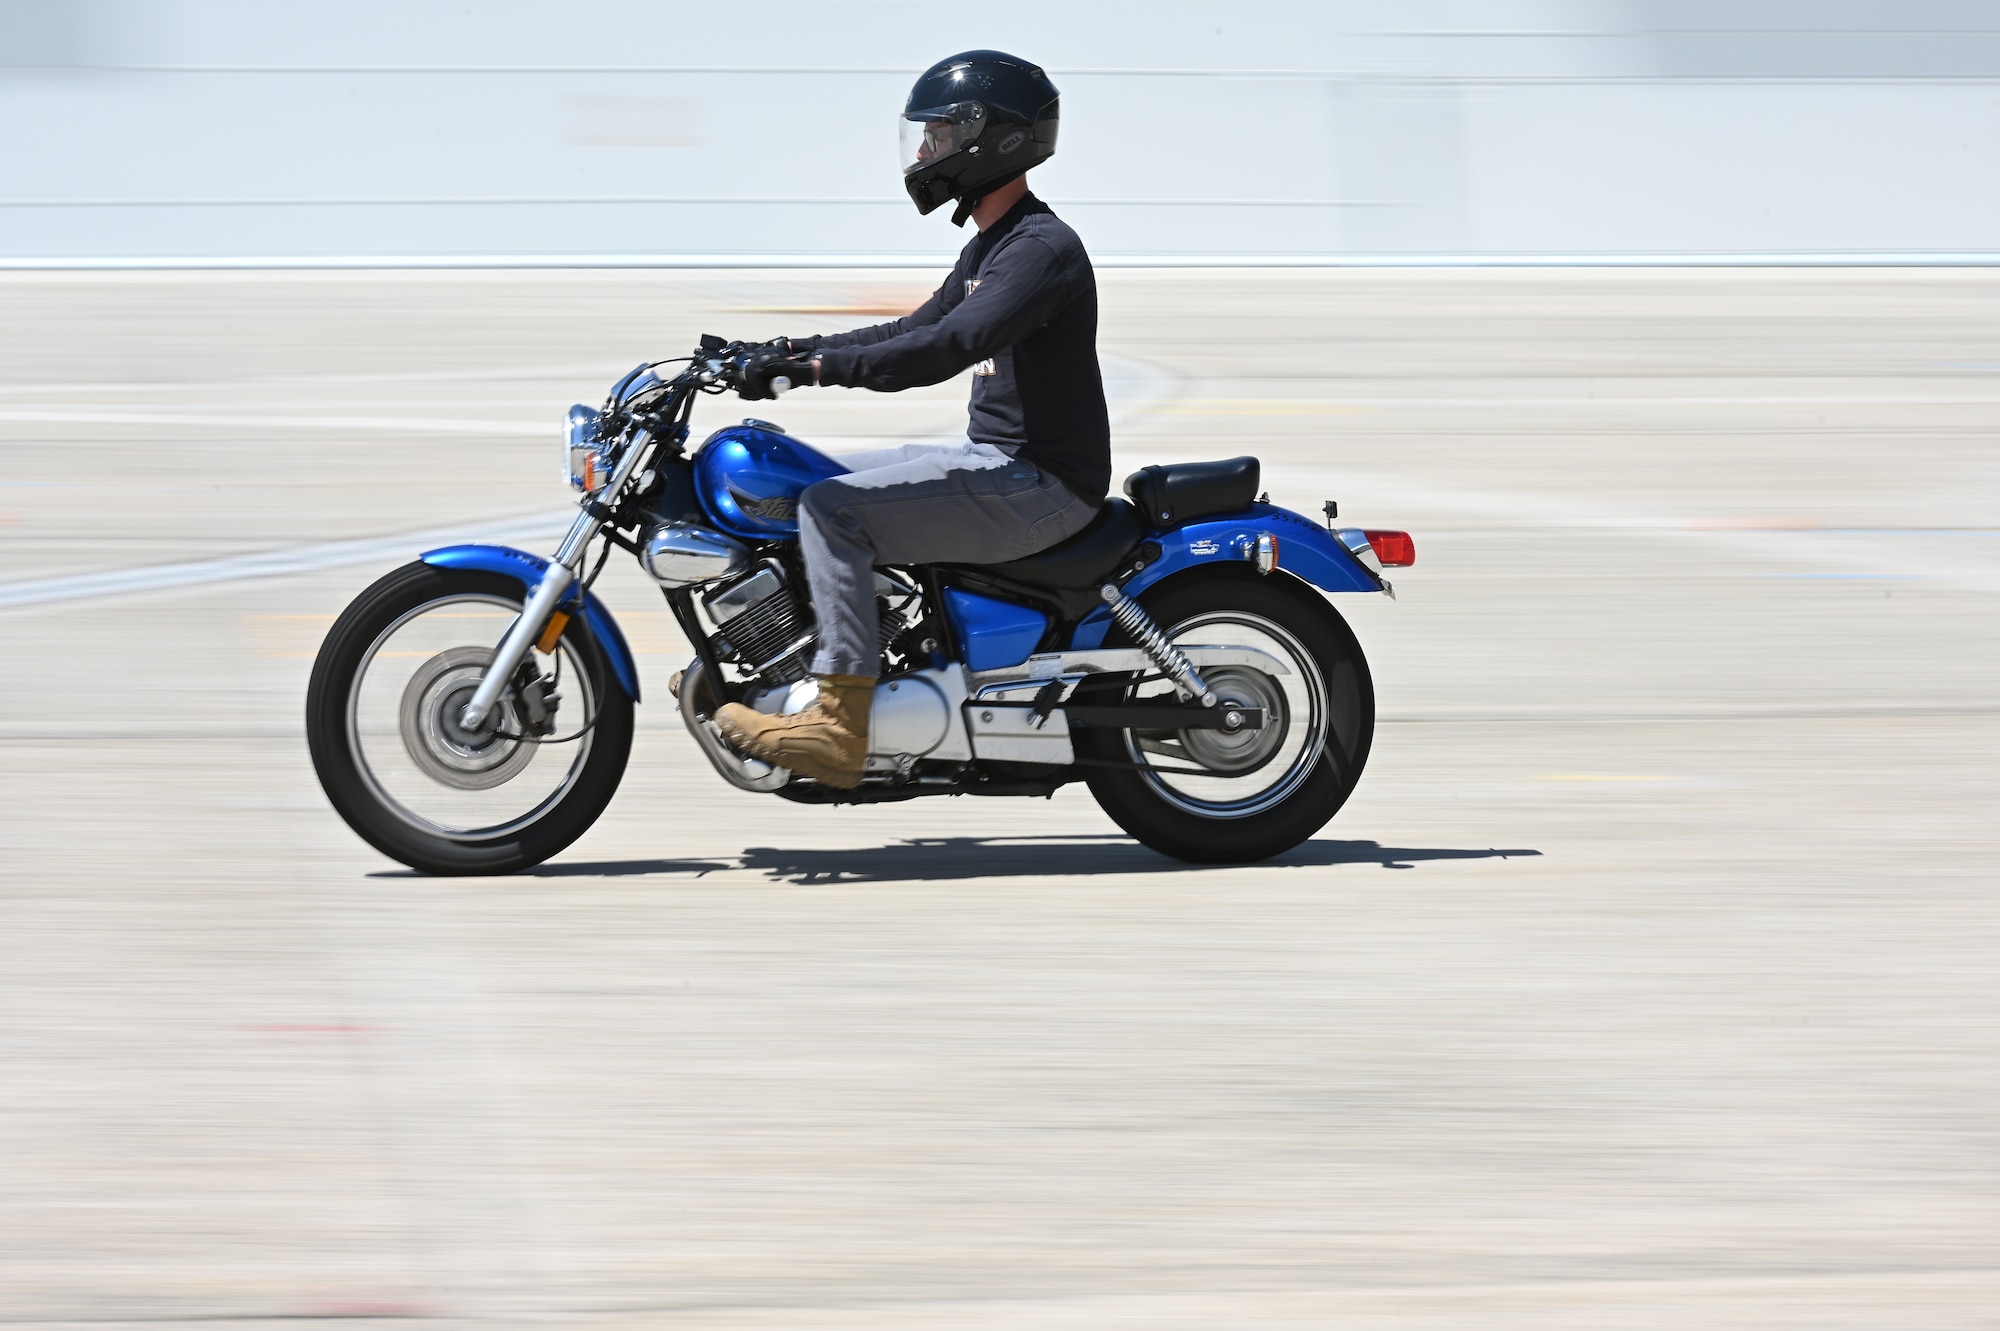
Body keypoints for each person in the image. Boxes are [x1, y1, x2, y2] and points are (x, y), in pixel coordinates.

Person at [713, 50, 1110, 789]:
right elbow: (906, 328)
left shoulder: (1040, 250)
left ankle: (837, 724)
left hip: (1038, 482)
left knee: (834, 510)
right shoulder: (991, 246)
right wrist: (786, 350)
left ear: (992, 138)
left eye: (941, 135)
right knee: (805, 477)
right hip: (999, 463)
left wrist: (817, 370)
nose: (926, 152)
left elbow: (942, 347)